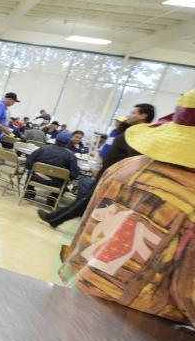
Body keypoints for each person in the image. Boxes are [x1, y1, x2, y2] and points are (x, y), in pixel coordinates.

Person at [59, 89, 195, 327]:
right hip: (141, 324)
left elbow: (85, 231)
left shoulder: (127, 167)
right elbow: (187, 289)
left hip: (79, 287)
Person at [37, 103, 155, 228]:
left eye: (134, 113)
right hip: (106, 172)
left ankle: (54, 218)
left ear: (143, 116)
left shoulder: (138, 135)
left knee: (86, 200)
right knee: (87, 201)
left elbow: (133, 159)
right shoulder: (129, 130)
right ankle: (56, 219)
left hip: (113, 175)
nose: (129, 115)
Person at [24, 131, 79, 202]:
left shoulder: (43, 148)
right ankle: (52, 199)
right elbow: (73, 175)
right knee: (65, 180)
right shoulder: (71, 156)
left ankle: (29, 191)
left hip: (35, 178)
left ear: (56, 140)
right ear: (68, 142)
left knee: (30, 171)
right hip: (56, 183)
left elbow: (28, 163)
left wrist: (38, 172)